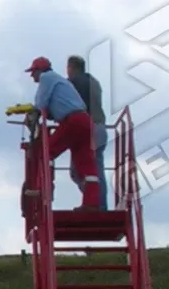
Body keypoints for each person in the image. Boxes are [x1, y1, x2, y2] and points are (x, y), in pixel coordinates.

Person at [27, 56, 101, 209]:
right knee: (86, 164)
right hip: (85, 121)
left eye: (33, 72)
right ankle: (92, 203)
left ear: (39, 70)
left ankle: (43, 192)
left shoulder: (46, 78)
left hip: (72, 121)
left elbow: (40, 103)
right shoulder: (60, 81)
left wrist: (33, 115)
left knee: (46, 153)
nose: (31, 76)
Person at [67, 54, 109, 202]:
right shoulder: (94, 82)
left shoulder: (73, 83)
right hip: (100, 128)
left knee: (78, 171)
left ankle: (93, 201)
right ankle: (100, 205)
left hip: (86, 130)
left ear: (71, 67)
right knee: (97, 170)